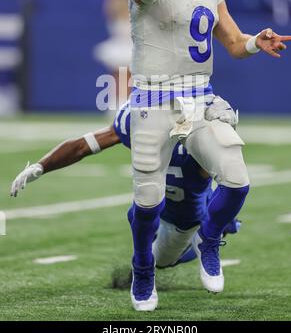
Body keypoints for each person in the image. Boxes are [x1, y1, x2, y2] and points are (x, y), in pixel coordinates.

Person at [97, 0, 291, 311]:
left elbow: (233, 43)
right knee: (148, 202)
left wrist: (257, 43)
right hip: (153, 97)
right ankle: (143, 271)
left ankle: (209, 239)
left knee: (238, 179)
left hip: (199, 97)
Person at [10, 96, 240, 268]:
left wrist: (221, 218)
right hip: (155, 195)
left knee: (161, 261)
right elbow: (82, 145)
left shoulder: (199, 125)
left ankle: (214, 230)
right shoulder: (137, 118)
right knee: (136, 215)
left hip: (185, 211)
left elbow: (226, 178)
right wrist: (41, 166)